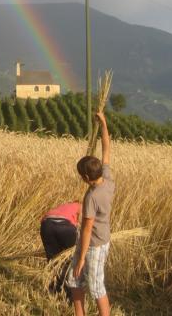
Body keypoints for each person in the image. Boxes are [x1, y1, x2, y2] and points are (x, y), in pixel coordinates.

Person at [66, 111, 114, 316]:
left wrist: (82, 258)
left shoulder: (92, 197)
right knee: (74, 280)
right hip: (91, 242)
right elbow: (106, 148)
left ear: (86, 177)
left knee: (96, 287)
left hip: (95, 244)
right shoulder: (108, 178)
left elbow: (86, 229)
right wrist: (103, 123)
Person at [41, 201, 81, 295]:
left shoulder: (63, 206)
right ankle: (69, 292)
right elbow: (84, 225)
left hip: (47, 225)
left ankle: (53, 288)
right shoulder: (81, 206)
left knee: (53, 260)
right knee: (70, 260)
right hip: (65, 227)